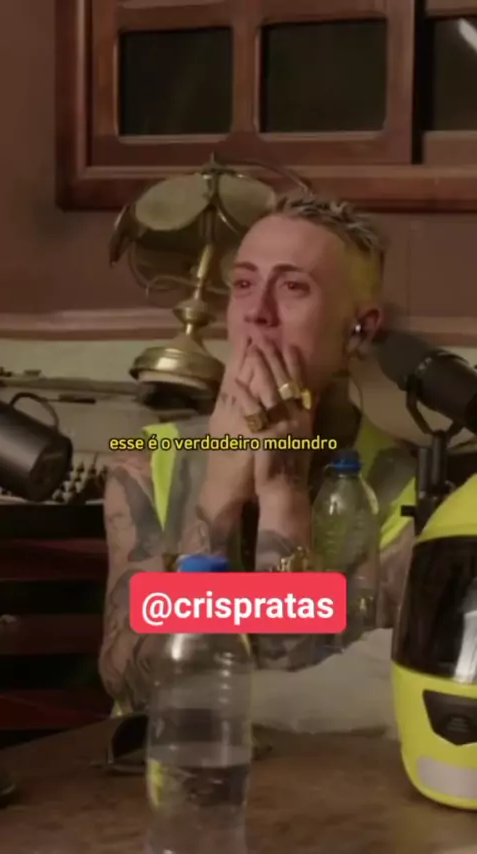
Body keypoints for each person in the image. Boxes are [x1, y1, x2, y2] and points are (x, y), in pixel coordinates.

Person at [99, 190, 416, 715]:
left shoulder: (406, 487)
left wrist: (284, 497)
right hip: (163, 755)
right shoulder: (147, 463)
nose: (257, 313)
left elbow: (316, 692)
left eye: (293, 287)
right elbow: (136, 682)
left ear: (360, 330)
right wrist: (219, 496)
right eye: (244, 284)